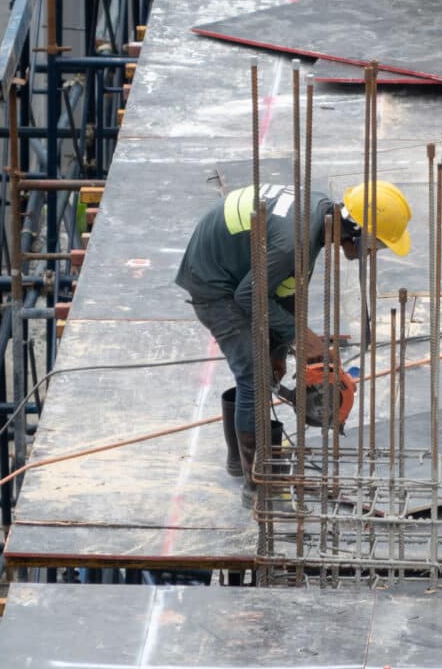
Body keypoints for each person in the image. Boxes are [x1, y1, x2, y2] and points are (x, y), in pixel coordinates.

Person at [176, 179, 411, 479]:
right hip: (213, 281)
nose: (373, 252)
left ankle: (239, 460)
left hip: (234, 269)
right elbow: (249, 296)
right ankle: (257, 479)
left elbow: (286, 289)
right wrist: (303, 338)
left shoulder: (317, 219)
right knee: (255, 376)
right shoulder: (295, 242)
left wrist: (280, 348)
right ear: (356, 230)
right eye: (375, 243)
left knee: (265, 365)